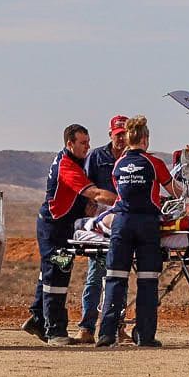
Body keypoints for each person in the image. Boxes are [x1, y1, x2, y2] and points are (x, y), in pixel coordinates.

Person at [26, 124, 111, 343]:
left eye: (88, 142)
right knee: (57, 272)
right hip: (53, 228)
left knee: (49, 271)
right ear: (69, 144)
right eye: (83, 143)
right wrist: (124, 201)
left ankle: (38, 317)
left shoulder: (75, 162)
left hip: (62, 226)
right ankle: (55, 330)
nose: (87, 146)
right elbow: (94, 192)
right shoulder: (67, 166)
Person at [95, 115, 174, 347]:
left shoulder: (118, 164)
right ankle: (145, 335)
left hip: (121, 223)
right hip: (147, 224)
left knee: (115, 279)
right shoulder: (154, 163)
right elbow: (174, 190)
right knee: (147, 280)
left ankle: (106, 334)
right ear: (146, 139)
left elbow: (120, 193)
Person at [73, 116, 126, 343]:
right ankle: (87, 326)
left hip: (124, 220)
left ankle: (117, 326)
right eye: (118, 134)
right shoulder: (97, 157)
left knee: (120, 275)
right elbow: (86, 186)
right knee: (96, 273)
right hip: (101, 222)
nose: (121, 139)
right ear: (110, 134)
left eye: (125, 134)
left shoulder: (133, 158)